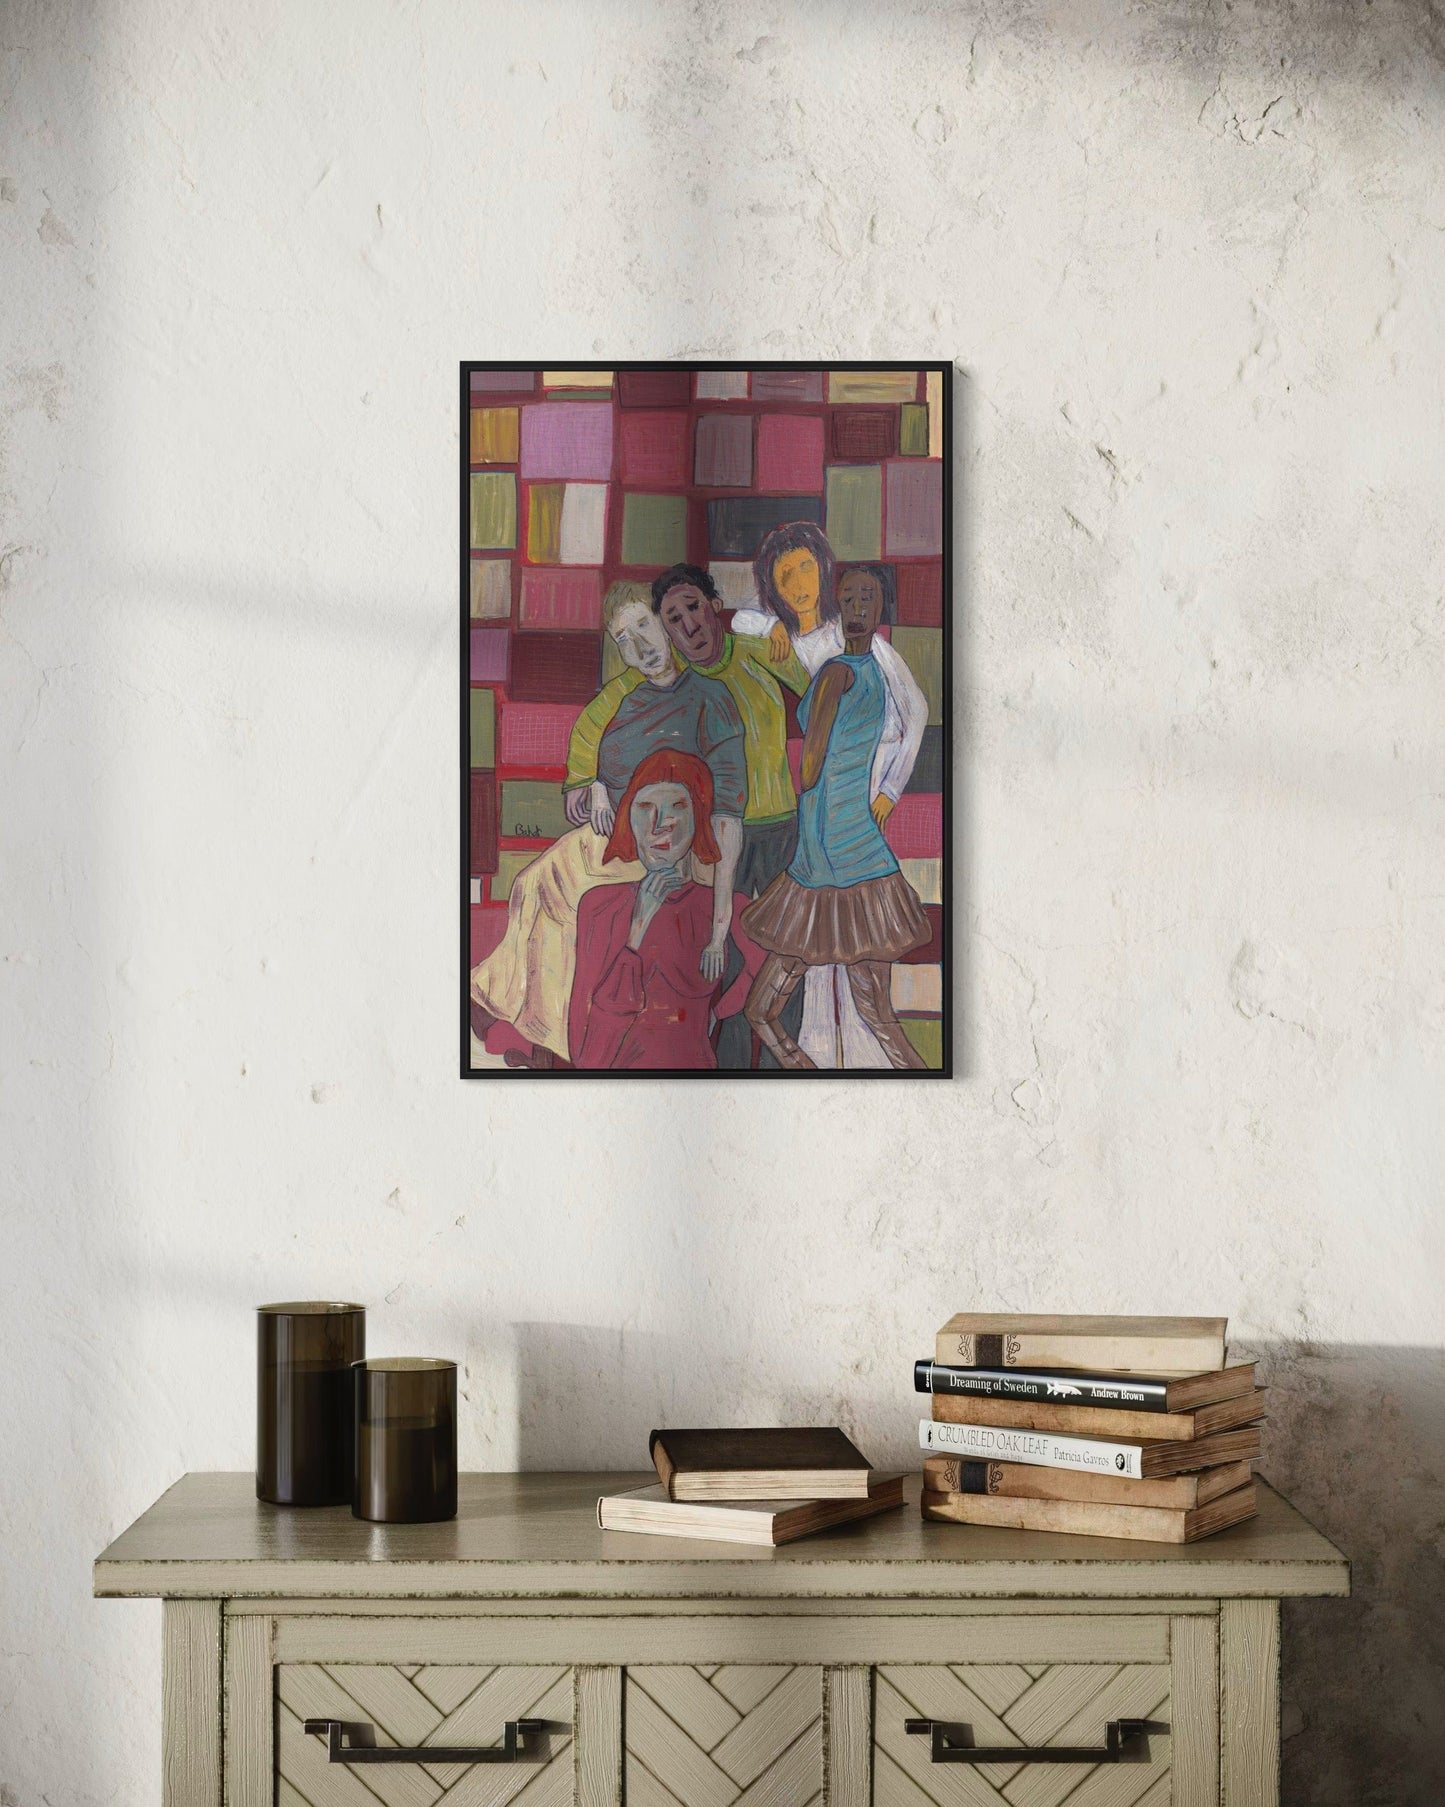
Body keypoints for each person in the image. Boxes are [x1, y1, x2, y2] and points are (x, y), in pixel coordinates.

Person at [470, 581, 745, 1062]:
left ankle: (550, 1038)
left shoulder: (710, 697)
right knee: (534, 882)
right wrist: (596, 784)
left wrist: (720, 922)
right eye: (623, 638)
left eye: (643, 626)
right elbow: (608, 760)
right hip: (621, 835)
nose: (640, 646)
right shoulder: (631, 701)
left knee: (571, 900)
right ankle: (529, 1019)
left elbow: (726, 814)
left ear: (663, 623)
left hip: (674, 846)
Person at [735, 536, 928, 1066]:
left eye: (806, 570)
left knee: (847, 999)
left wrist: (888, 789)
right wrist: (768, 625)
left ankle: (818, 1063)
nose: (798, 584)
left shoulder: (846, 667)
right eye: (784, 577)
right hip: (845, 836)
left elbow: (816, 762)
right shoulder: (812, 652)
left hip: (831, 832)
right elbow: (738, 621)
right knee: (868, 1005)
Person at [648, 563, 812, 1067]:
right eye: (673, 618)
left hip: (784, 826)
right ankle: (736, 1067)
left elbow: (819, 700)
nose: (688, 623)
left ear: (715, 606)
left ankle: (783, 1067)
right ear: (667, 631)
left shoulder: (763, 652)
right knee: (730, 958)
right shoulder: (678, 686)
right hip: (722, 840)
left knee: (788, 955)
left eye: (693, 606)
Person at [569, 751, 763, 1070]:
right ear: (627, 819)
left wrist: (719, 1012)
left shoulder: (722, 908)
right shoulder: (599, 906)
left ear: (698, 819)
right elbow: (588, 1056)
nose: (660, 825)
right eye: (645, 808)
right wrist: (636, 931)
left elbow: (767, 965)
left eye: (678, 807)